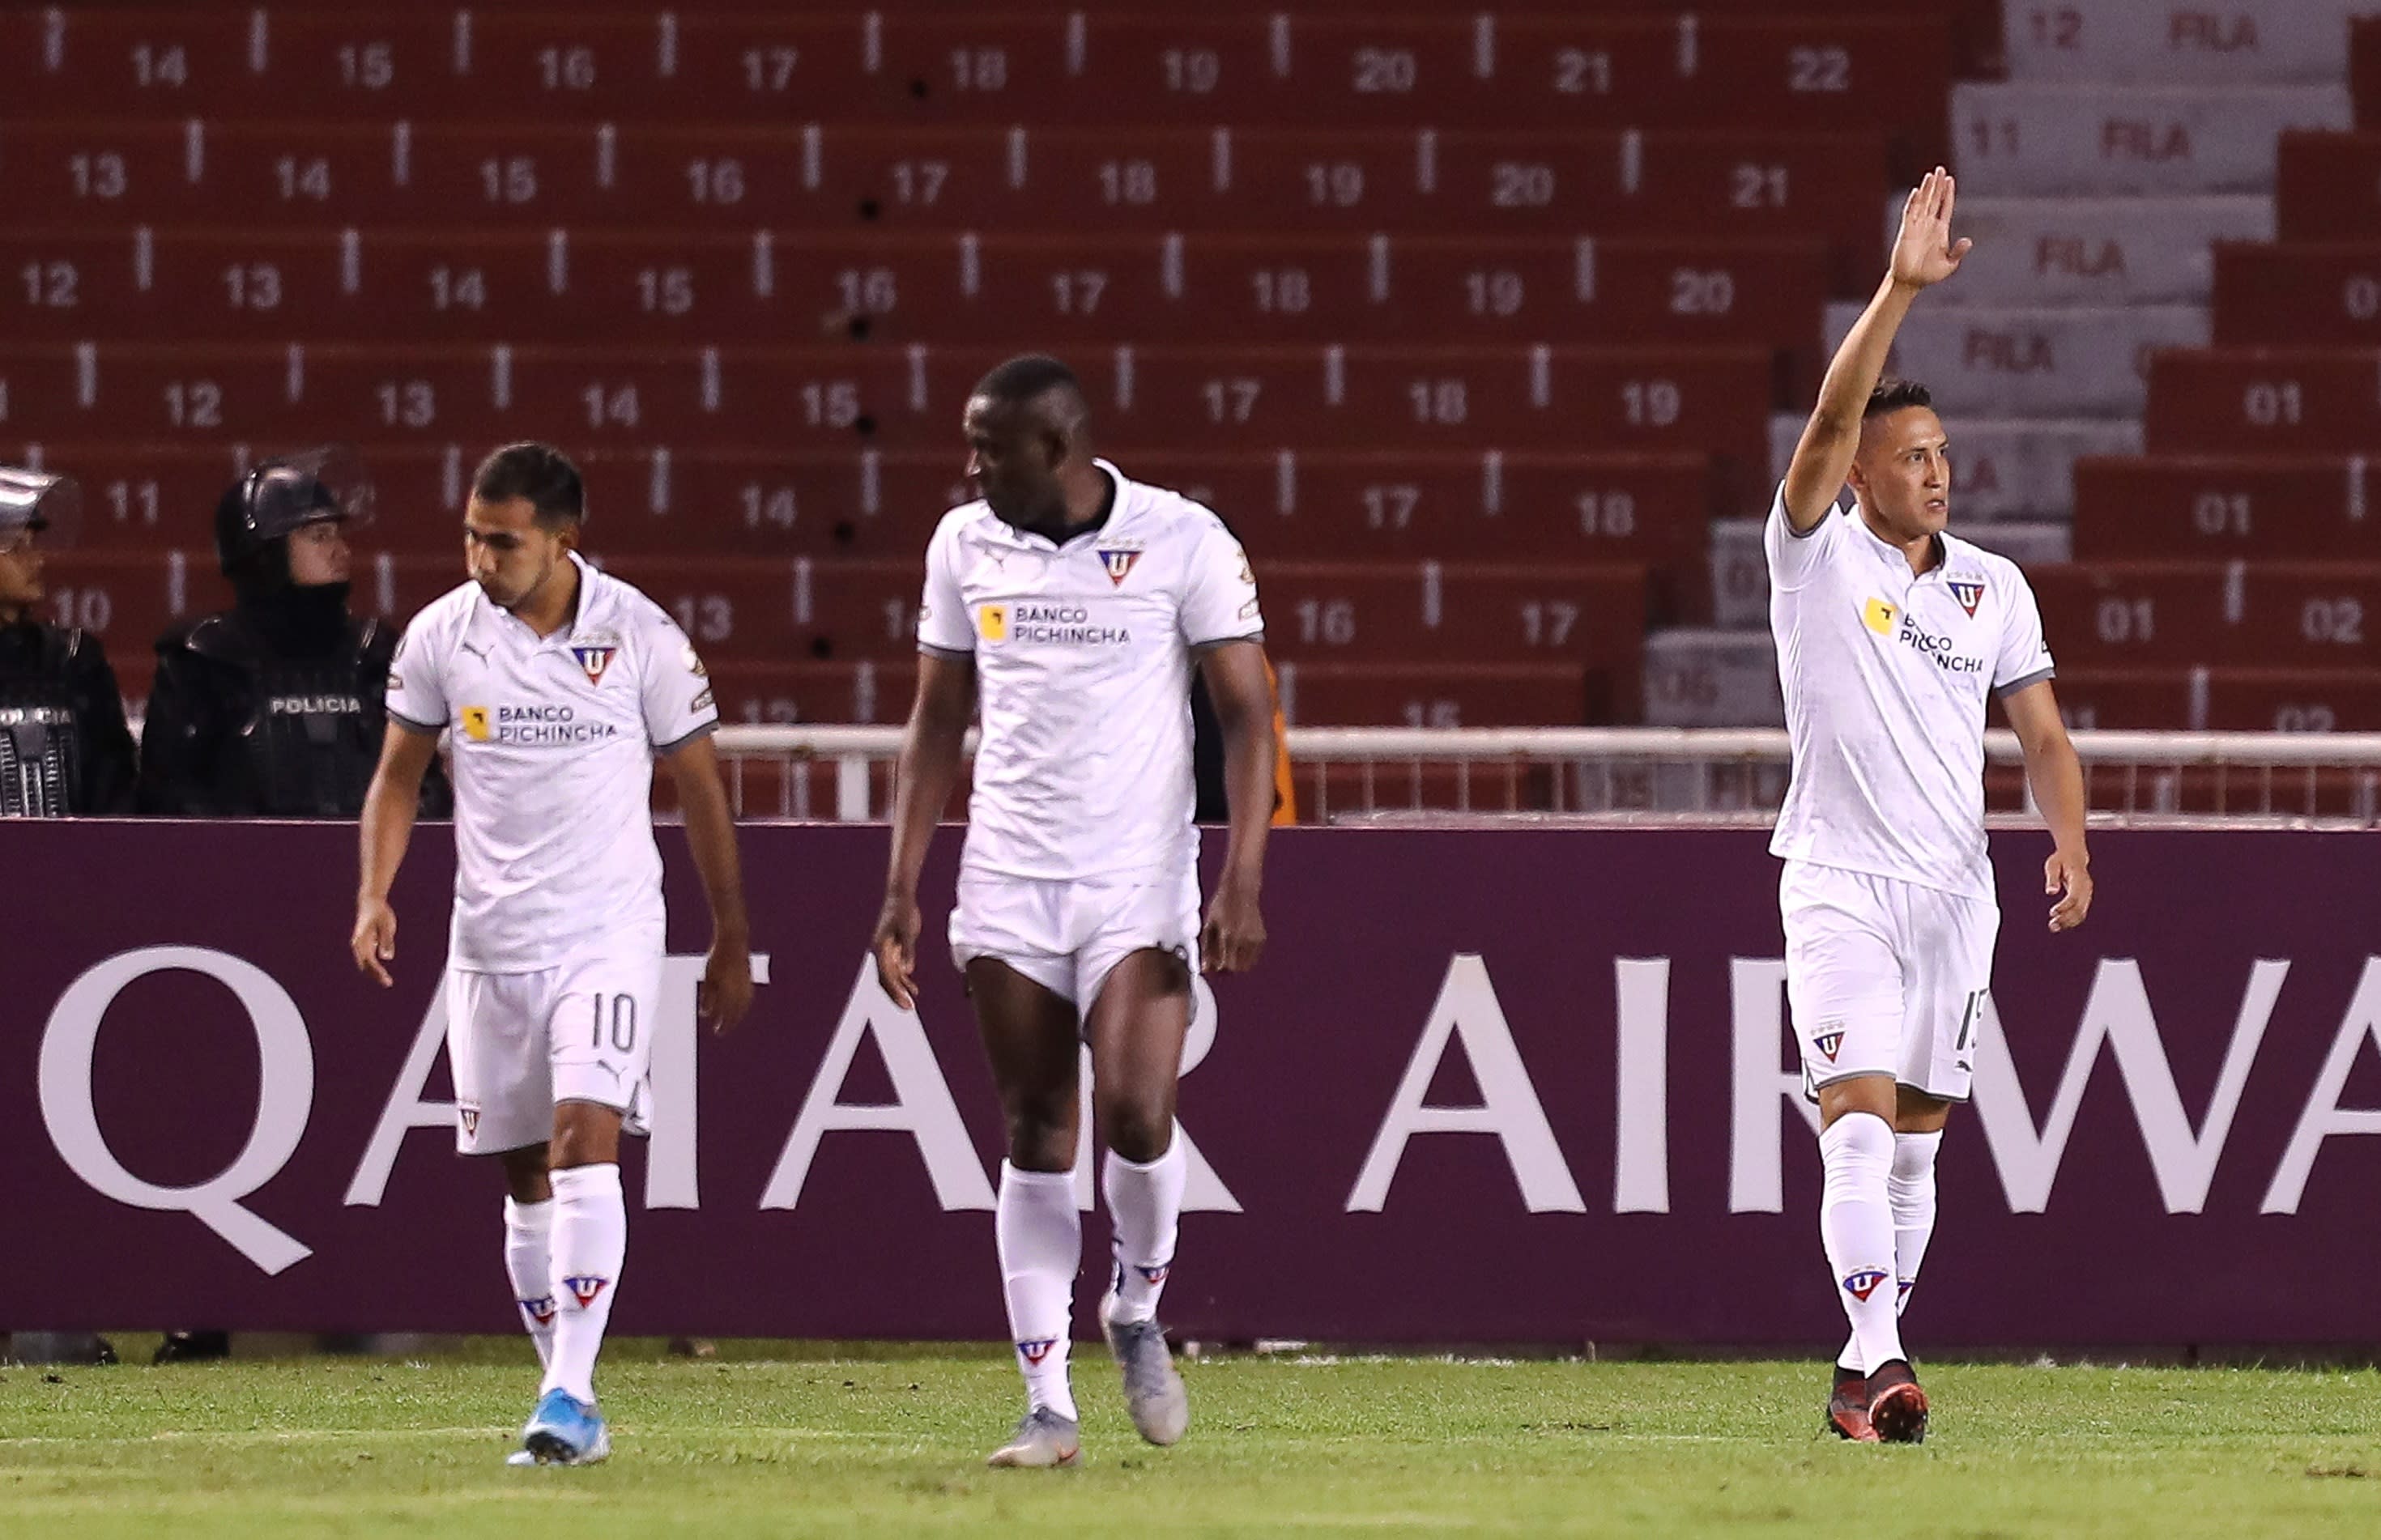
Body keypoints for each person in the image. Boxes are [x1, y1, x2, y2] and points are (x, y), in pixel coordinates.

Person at [871, 355, 1278, 1469]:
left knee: (1138, 1115)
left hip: (1137, 881)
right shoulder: (963, 546)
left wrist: (1242, 875)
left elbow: (1248, 714)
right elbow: (935, 719)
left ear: (1056, 447)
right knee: (1037, 1130)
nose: (972, 468)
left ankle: (1136, 1305)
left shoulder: (1183, 539)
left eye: (989, 449)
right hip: (1009, 878)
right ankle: (1048, 1405)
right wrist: (902, 885)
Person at [350, 442, 755, 1466]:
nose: (481, 558)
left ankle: (568, 1393)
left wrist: (730, 930)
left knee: (584, 1138)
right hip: (491, 941)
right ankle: (567, 1395)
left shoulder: (640, 635)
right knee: (524, 1170)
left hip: (605, 933)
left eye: (504, 542)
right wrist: (374, 892)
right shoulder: (441, 636)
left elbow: (700, 786)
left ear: (564, 539)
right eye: (471, 538)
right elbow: (397, 776)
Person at [1768, 168, 2092, 1445]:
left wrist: (2069, 838)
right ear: (1862, 472)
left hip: (1959, 894)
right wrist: (1900, 289)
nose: (1938, 471)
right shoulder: (1812, 551)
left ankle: (1862, 1373)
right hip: (1839, 880)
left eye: (1945, 453)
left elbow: (2045, 734)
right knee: (1855, 1128)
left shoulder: (1993, 587)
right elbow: (1828, 414)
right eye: (1913, 456)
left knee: (1915, 1150)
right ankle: (1885, 1353)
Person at [140, 447, 451, 820]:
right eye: (319, 536)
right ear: (265, 554)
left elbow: (425, 788)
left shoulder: (375, 652)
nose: (341, 551)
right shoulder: (203, 659)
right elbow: (170, 804)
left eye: (338, 535)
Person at [0, 469, 136, 819]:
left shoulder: (72, 660)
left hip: (77, 854)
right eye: (16, 548)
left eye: (34, 545)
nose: (37, 560)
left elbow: (115, 789)